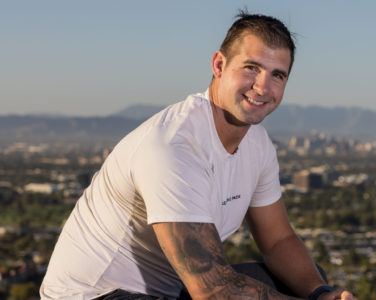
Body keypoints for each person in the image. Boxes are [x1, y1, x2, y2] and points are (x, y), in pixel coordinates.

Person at [40, 11, 354, 300]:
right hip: (95, 295)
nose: (263, 87)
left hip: (172, 291)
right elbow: (213, 290)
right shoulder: (174, 147)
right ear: (219, 65)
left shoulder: (257, 143)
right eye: (251, 68)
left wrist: (319, 293)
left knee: (306, 280)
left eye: (277, 75)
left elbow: (278, 241)